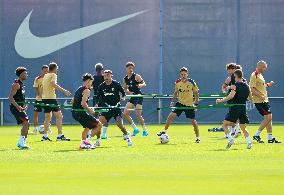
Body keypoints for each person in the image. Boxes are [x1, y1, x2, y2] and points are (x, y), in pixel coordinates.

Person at [157, 67, 200, 143]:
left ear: (187, 74)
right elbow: (175, 93)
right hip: (180, 103)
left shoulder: (191, 82)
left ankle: (197, 138)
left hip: (189, 104)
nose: (183, 76)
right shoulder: (177, 82)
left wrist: (196, 103)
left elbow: (196, 93)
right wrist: (172, 102)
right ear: (180, 75)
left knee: (193, 121)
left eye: (185, 74)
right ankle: (164, 131)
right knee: (171, 116)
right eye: (182, 74)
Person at [216, 69, 253, 149]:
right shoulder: (247, 86)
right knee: (243, 127)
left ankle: (230, 140)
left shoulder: (235, 85)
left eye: (234, 77)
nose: (234, 78)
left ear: (236, 76)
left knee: (224, 124)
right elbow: (251, 99)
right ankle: (249, 142)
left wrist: (220, 100)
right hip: (243, 107)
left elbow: (231, 96)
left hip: (235, 107)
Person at [97, 70, 133, 146]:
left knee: (119, 124)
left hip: (116, 108)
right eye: (105, 75)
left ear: (111, 76)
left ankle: (127, 136)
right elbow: (98, 97)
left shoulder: (116, 84)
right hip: (106, 108)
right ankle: (97, 141)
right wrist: (97, 104)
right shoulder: (101, 86)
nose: (106, 77)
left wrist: (123, 97)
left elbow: (123, 93)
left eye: (108, 75)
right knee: (99, 124)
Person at [250, 60, 281, 143]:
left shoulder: (260, 75)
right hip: (259, 101)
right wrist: (260, 95)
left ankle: (270, 138)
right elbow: (252, 88)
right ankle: (257, 135)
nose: (265, 68)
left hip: (264, 100)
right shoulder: (254, 75)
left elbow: (260, 86)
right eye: (264, 67)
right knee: (269, 117)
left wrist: (268, 85)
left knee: (268, 119)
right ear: (259, 66)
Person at [41, 62, 72, 141]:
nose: (57, 71)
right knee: (59, 116)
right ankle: (60, 136)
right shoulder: (53, 75)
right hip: (51, 99)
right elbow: (53, 84)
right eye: (57, 69)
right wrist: (64, 91)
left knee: (48, 117)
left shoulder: (45, 76)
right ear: (54, 69)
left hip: (44, 98)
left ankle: (45, 136)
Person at [71, 73, 102, 149]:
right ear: (88, 81)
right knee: (99, 125)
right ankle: (87, 142)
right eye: (91, 82)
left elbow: (72, 101)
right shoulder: (87, 90)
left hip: (75, 113)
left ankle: (83, 144)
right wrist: (91, 112)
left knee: (88, 127)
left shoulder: (79, 89)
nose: (91, 84)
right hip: (80, 113)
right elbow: (83, 104)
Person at [123, 61, 148, 137]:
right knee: (125, 113)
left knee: (138, 114)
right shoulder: (125, 79)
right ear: (126, 69)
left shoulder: (136, 76)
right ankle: (135, 129)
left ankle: (145, 131)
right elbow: (125, 89)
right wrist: (129, 92)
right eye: (129, 68)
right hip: (132, 97)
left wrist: (141, 85)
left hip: (139, 96)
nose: (131, 69)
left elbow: (144, 83)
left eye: (132, 68)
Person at [8, 67, 30, 149]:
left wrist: (25, 104)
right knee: (26, 123)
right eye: (25, 73)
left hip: (19, 107)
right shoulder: (16, 84)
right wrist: (18, 107)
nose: (27, 75)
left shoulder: (21, 84)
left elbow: (21, 98)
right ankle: (21, 143)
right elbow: (10, 98)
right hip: (15, 108)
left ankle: (22, 143)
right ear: (21, 74)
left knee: (27, 124)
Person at [92, 63, 108, 139]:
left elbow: (91, 87)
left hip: (95, 98)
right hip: (102, 98)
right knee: (104, 115)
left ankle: (92, 131)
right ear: (102, 70)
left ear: (95, 70)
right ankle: (103, 134)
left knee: (95, 115)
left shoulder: (93, 78)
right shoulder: (104, 77)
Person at [32, 65, 49, 133]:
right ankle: (35, 128)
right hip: (39, 99)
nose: (46, 72)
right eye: (45, 71)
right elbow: (36, 87)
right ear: (42, 70)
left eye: (47, 71)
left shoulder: (49, 78)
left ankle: (47, 128)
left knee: (48, 115)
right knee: (36, 114)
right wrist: (39, 95)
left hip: (47, 99)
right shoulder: (37, 79)